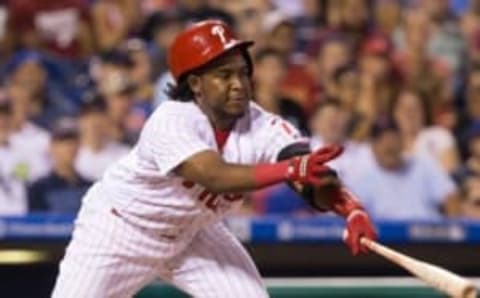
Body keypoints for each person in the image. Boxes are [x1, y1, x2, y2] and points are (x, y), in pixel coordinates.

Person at [51, 20, 377, 298]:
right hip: (120, 228)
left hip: (193, 234)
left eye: (242, 73)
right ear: (195, 83)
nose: (238, 84)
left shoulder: (263, 125)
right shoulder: (171, 119)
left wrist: (348, 207)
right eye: (223, 75)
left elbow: (311, 174)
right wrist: (292, 169)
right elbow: (213, 175)